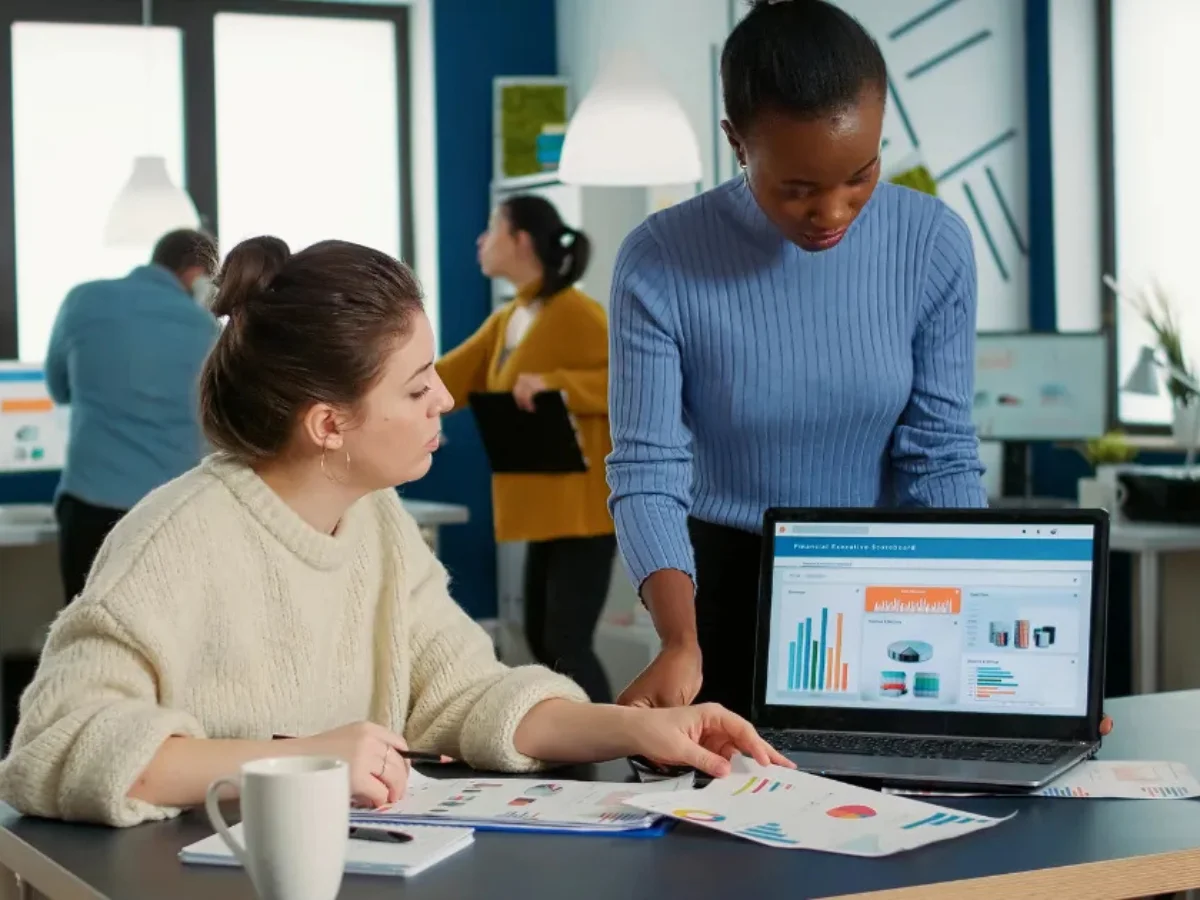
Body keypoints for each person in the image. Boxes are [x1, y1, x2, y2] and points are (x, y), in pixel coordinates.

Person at [0, 236, 787, 827]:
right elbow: (55, 746)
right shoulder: (175, 538)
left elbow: (468, 692)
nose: (444, 400)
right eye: (417, 388)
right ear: (327, 423)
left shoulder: (376, 521)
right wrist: (301, 764)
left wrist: (642, 729)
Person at [437, 196, 615, 702]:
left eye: (491, 228)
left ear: (520, 240)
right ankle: (577, 760)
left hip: (583, 514)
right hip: (545, 512)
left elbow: (633, 383)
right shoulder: (512, 317)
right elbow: (448, 378)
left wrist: (556, 384)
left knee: (565, 643)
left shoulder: (577, 313)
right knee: (543, 642)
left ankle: (616, 752)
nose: (480, 240)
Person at [45, 229, 220, 603]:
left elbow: (59, 389)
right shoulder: (206, 329)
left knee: (83, 639)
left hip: (88, 508)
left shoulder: (83, 300)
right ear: (195, 275)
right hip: (172, 514)